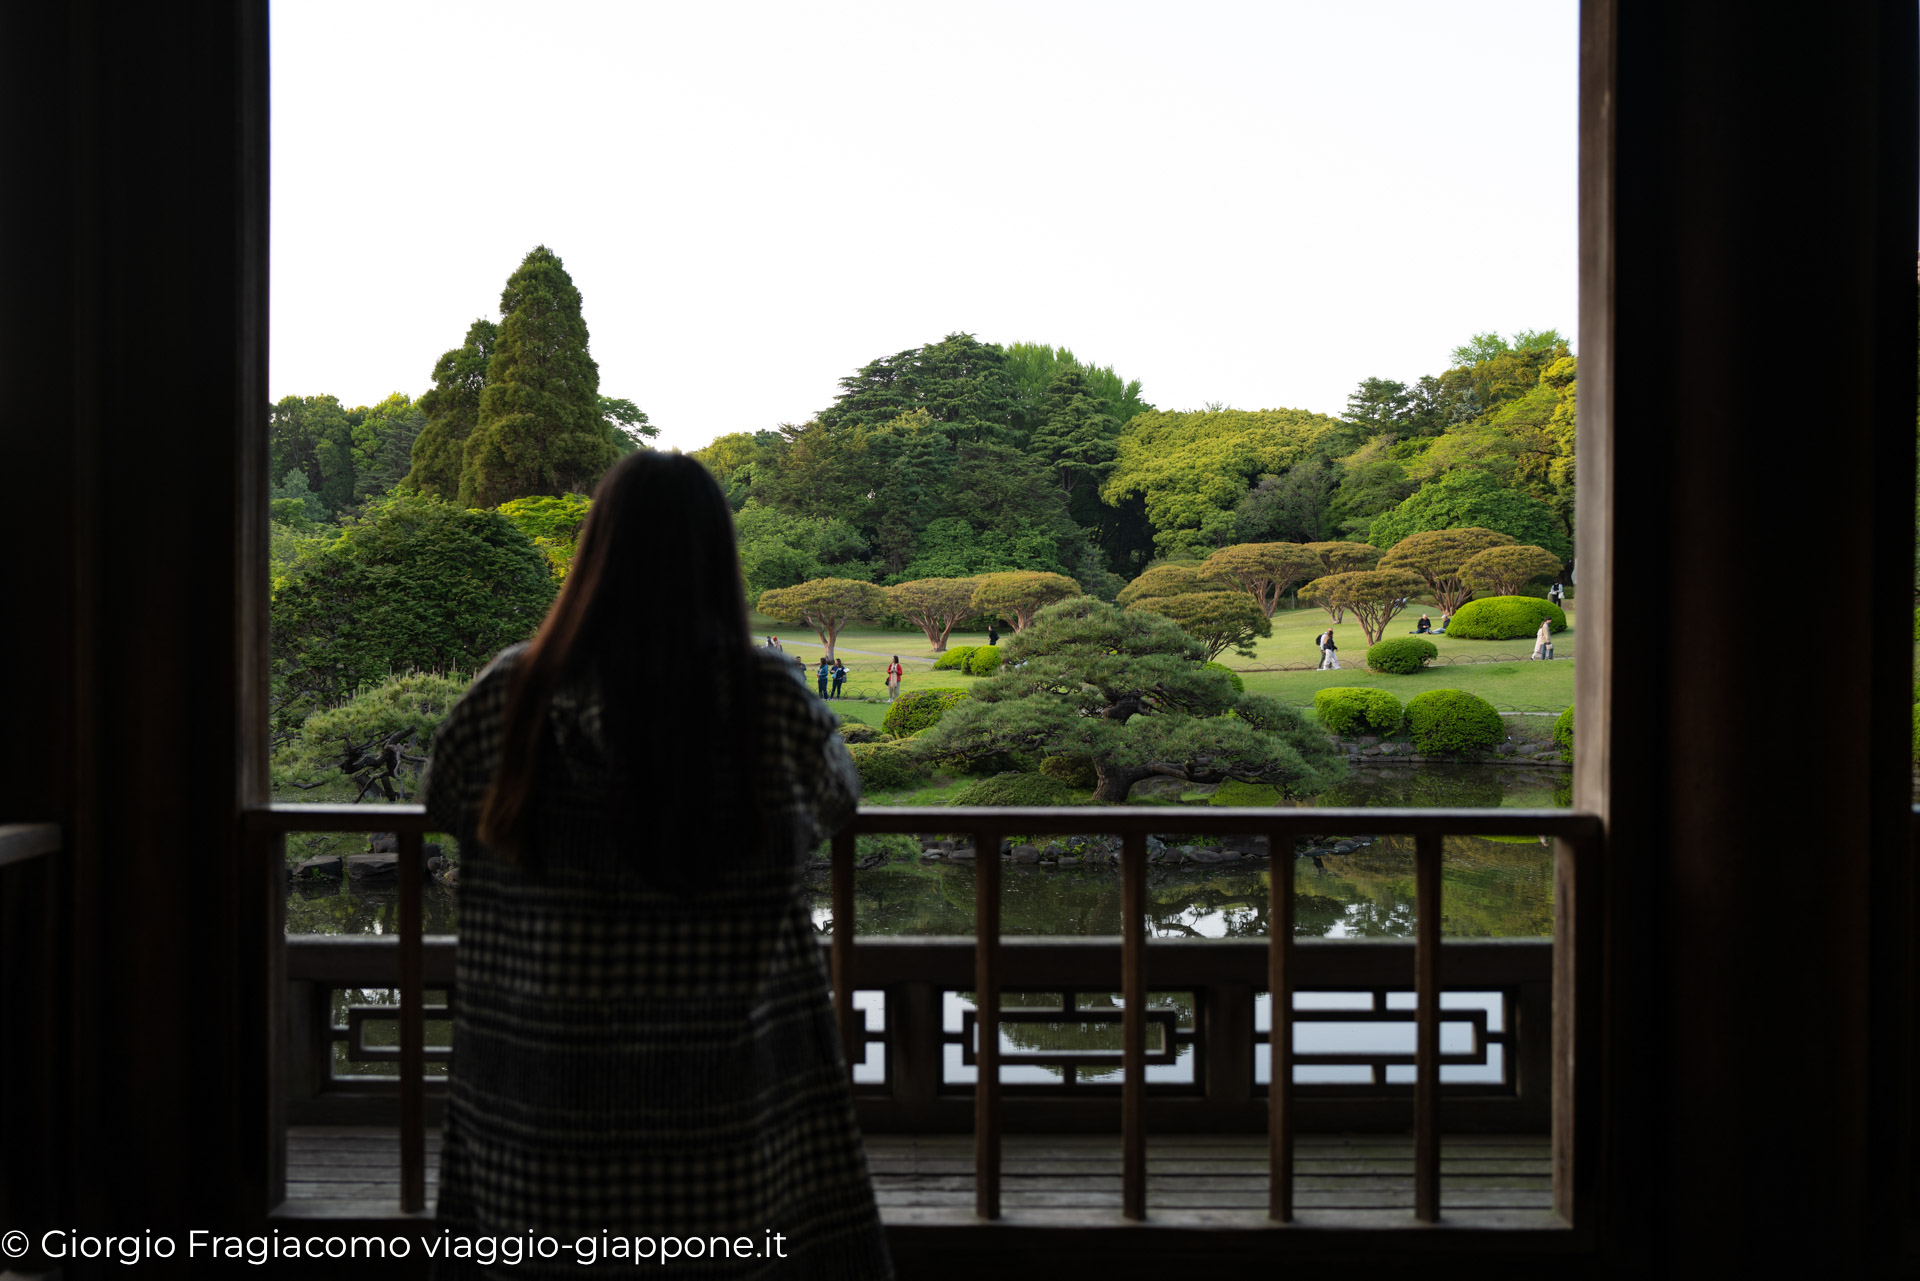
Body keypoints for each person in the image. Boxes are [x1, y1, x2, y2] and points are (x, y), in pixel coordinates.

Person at [419, 451, 891, 1279]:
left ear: (593, 552)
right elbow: (835, 801)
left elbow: (442, 799)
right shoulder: (768, 699)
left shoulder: (510, 696)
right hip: (723, 1114)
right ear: (718, 558)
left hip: (540, 1110)